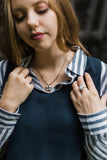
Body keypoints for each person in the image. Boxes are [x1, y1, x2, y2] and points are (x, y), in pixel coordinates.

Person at [0, 0, 107, 159]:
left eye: (41, 10)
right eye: (19, 17)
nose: (31, 22)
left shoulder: (100, 73)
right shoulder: (3, 73)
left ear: (62, 10)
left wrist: (93, 121)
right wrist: (6, 107)